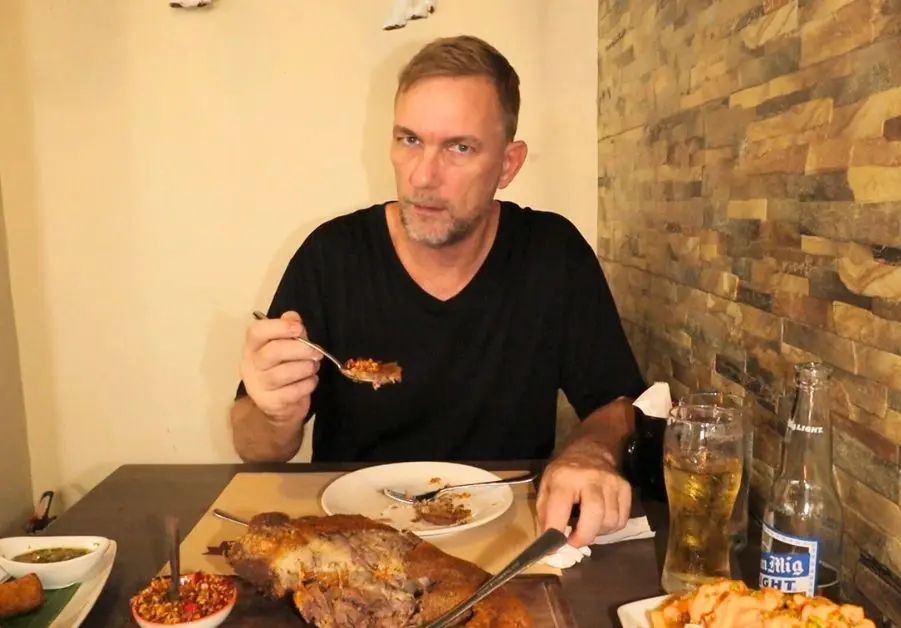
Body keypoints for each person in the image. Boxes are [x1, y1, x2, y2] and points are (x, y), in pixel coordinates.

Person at [229, 35, 647, 548]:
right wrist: (274, 413)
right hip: (355, 543)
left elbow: (618, 405)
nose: (423, 176)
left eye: (459, 147)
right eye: (409, 140)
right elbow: (256, 449)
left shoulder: (551, 254)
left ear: (508, 165)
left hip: (508, 537)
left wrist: (591, 452)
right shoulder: (331, 256)